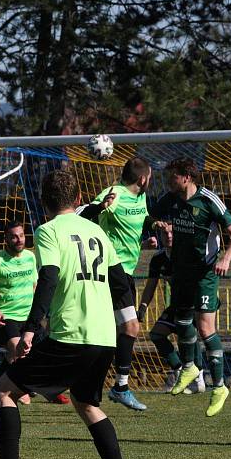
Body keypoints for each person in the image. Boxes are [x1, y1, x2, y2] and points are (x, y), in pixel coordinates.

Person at [0, 169, 131, 459]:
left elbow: (49, 278)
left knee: (3, 391)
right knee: (86, 404)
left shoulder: (48, 230)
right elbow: (121, 283)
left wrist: (30, 328)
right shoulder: (98, 232)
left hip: (71, 334)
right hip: (104, 336)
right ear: (79, 199)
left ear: (43, 202)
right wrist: (129, 318)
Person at [158, 157, 231, 417]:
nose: (168, 181)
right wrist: (156, 228)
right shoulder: (169, 199)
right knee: (182, 321)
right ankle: (189, 367)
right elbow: (150, 217)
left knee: (206, 328)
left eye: (172, 176)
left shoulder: (208, 200)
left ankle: (219, 387)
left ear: (186, 176)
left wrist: (226, 259)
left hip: (205, 274)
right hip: (180, 271)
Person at [77, 156, 157, 411]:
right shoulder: (114, 193)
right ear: (143, 179)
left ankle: (92, 385)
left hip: (126, 272)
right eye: (151, 177)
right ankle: (119, 386)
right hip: (112, 270)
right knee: (130, 327)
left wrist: (153, 228)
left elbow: (143, 218)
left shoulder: (140, 197)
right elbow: (82, 214)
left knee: (106, 332)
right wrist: (101, 206)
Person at [137, 227, 205, 394]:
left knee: (188, 334)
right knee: (157, 334)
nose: (168, 236)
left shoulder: (188, 253)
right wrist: (142, 307)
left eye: (172, 232)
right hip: (177, 305)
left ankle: (199, 378)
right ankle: (179, 369)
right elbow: (151, 285)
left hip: (195, 302)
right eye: (164, 233)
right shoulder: (159, 258)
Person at [0, 221, 38, 401]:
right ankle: (21, 390)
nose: (18, 239)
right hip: (7, 316)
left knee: (19, 354)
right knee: (18, 350)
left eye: (21, 235)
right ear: (6, 238)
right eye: (13, 236)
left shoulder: (31, 257)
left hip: (28, 317)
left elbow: (35, 286)